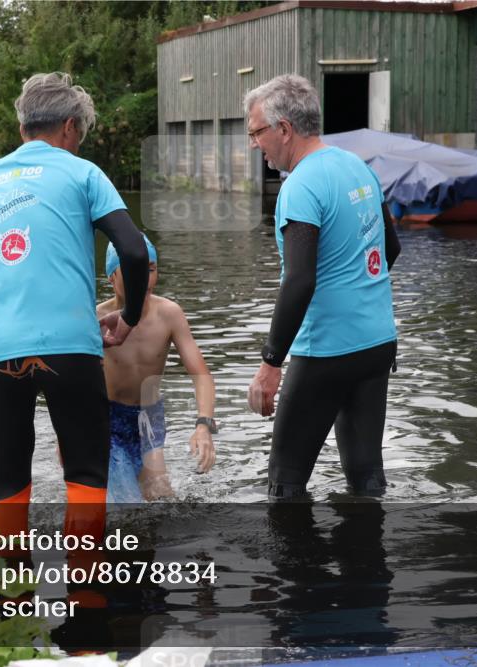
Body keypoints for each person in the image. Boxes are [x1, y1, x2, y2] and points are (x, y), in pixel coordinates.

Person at [0, 72, 148, 548]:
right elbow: (132, 250)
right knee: (85, 473)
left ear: (22, 126)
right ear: (69, 127)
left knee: (7, 481)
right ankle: (85, 585)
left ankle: (12, 588)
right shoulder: (83, 173)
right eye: (79, 134)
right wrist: (129, 317)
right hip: (70, 346)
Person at [244, 74, 401, 499]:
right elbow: (391, 248)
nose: (254, 144)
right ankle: (369, 542)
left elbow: (300, 280)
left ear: (284, 129)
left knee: (285, 484)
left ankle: (292, 549)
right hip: (377, 343)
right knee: (366, 477)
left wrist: (271, 363)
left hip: (326, 352)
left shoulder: (300, 186)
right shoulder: (358, 168)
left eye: (256, 132)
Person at [97, 235, 217, 503]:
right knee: (123, 503)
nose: (143, 279)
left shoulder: (169, 314)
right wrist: (67, 436)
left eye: (150, 269)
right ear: (111, 278)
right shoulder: (97, 320)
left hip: (149, 417)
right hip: (107, 419)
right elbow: (74, 384)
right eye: (131, 270)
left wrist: (204, 425)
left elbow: (201, 375)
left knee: (160, 500)